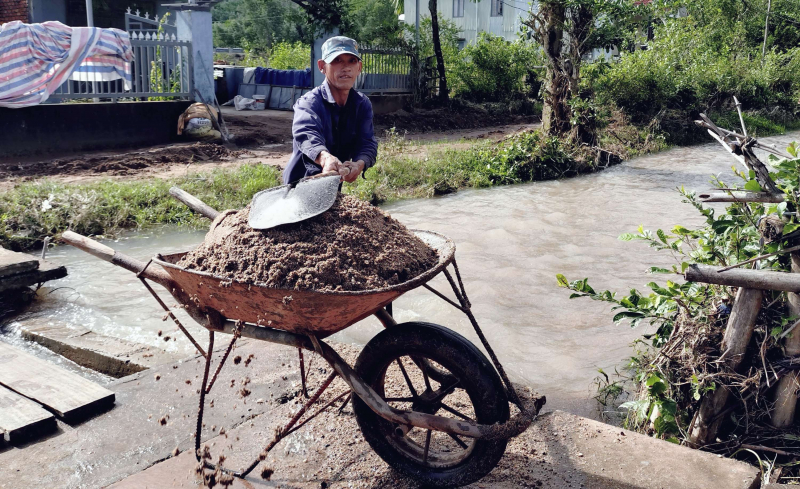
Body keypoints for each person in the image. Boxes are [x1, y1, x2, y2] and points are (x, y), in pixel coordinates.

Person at [283, 36, 379, 184]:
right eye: (337, 60)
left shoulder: (361, 104)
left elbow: (367, 143)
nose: (346, 67)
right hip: (300, 185)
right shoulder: (308, 103)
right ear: (322, 66)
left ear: (359, 67)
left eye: (351, 61)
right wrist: (325, 157)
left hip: (332, 186)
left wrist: (359, 163)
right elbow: (306, 134)